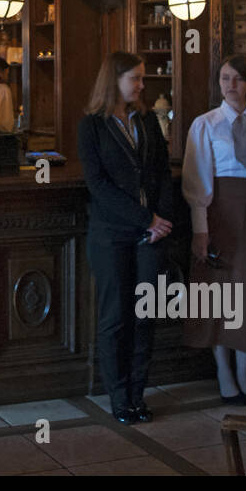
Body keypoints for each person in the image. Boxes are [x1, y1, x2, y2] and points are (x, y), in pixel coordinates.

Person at [78, 51, 173, 425]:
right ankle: (119, 398)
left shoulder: (147, 120)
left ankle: (138, 395)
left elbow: (163, 172)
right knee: (115, 317)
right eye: (135, 78)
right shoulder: (92, 125)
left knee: (144, 316)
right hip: (111, 234)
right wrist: (146, 218)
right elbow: (97, 185)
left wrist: (161, 219)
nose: (141, 85)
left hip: (151, 234)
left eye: (142, 78)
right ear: (113, 80)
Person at [182, 55, 246, 404]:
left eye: (238, 79)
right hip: (221, 213)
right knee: (222, 293)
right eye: (225, 79)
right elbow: (197, 179)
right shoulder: (205, 124)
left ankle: (244, 371)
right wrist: (200, 229)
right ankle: (224, 371)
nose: (231, 86)